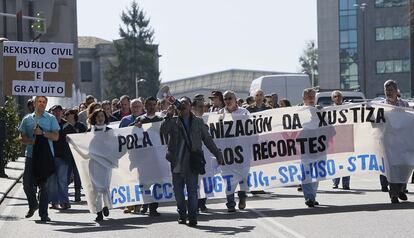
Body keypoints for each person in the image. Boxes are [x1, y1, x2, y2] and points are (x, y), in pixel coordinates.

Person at [160, 96, 224, 227]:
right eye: (181, 103)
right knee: (178, 191)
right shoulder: (172, 121)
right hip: (176, 161)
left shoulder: (198, 122)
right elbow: (163, 131)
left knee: (192, 190)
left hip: (192, 161)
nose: (183, 105)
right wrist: (168, 115)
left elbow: (208, 140)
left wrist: (218, 154)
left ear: (190, 106)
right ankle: (182, 214)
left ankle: (193, 216)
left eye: (185, 103)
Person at [19, 96, 60, 222]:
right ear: (34, 103)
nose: (41, 104)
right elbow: (21, 138)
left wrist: (43, 133)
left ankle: (44, 214)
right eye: (39, 102)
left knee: (44, 186)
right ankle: (33, 205)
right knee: (26, 184)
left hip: (45, 157)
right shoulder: (27, 119)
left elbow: (56, 137)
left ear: (46, 104)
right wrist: (31, 140)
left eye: (44, 102)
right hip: (31, 156)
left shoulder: (51, 118)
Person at [218, 91, 250, 212]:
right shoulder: (220, 114)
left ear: (235, 99)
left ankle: (242, 197)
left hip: (242, 150)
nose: (227, 100)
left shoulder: (244, 112)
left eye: (230, 98)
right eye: (225, 99)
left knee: (243, 177)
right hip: (227, 152)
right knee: (228, 177)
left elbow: (251, 129)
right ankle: (230, 203)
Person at [380, 79, 410, 203]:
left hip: (402, 141)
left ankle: (401, 189)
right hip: (388, 142)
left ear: (396, 91)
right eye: (386, 90)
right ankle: (393, 194)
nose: (388, 93)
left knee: (404, 166)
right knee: (391, 168)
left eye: (390, 90)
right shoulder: (381, 106)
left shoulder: (404, 105)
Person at [133, 96, 164, 216]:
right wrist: (136, 128)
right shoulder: (139, 120)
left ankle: (153, 207)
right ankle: (146, 203)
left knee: (157, 182)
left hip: (157, 157)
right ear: (145, 106)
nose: (151, 107)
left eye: (153, 104)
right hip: (143, 157)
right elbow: (131, 134)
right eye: (149, 104)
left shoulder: (160, 120)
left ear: (156, 105)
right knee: (144, 182)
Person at [87, 109, 113, 221]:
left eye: (102, 116)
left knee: (105, 186)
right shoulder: (89, 131)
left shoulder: (110, 131)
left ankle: (106, 205)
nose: (100, 118)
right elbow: (82, 143)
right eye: (98, 116)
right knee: (95, 188)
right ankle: (98, 211)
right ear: (94, 118)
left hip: (106, 163)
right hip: (94, 163)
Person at [300, 88, 320, 207]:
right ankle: (309, 197)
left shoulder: (320, 111)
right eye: (308, 96)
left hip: (319, 146)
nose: (311, 98)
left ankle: (312, 195)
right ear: (303, 99)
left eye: (313, 96)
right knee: (306, 173)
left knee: (317, 174)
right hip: (304, 147)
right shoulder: (298, 112)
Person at [48, 105, 70, 210]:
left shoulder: (67, 125)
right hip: (50, 156)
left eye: (59, 111)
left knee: (62, 180)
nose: (57, 113)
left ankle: (64, 201)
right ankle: (54, 202)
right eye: (54, 111)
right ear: (51, 113)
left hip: (63, 156)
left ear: (62, 112)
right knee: (52, 181)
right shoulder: (47, 124)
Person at [62, 109, 87, 202]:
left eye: (68, 114)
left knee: (77, 175)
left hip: (78, 154)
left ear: (73, 115)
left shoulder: (80, 126)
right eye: (66, 114)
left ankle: (77, 194)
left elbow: (85, 137)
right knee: (66, 175)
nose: (67, 116)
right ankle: (65, 195)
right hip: (67, 154)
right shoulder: (64, 127)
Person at [330, 91, 351, 190]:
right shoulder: (329, 110)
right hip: (335, 139)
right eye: (335, 96)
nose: (337, 98)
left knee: (346, 161)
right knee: (336, 162)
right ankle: (335, 182)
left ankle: (346, 183)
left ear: (342, 98)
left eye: (339, 96)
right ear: (332, 99)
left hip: (346, 138)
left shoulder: (348, 108)